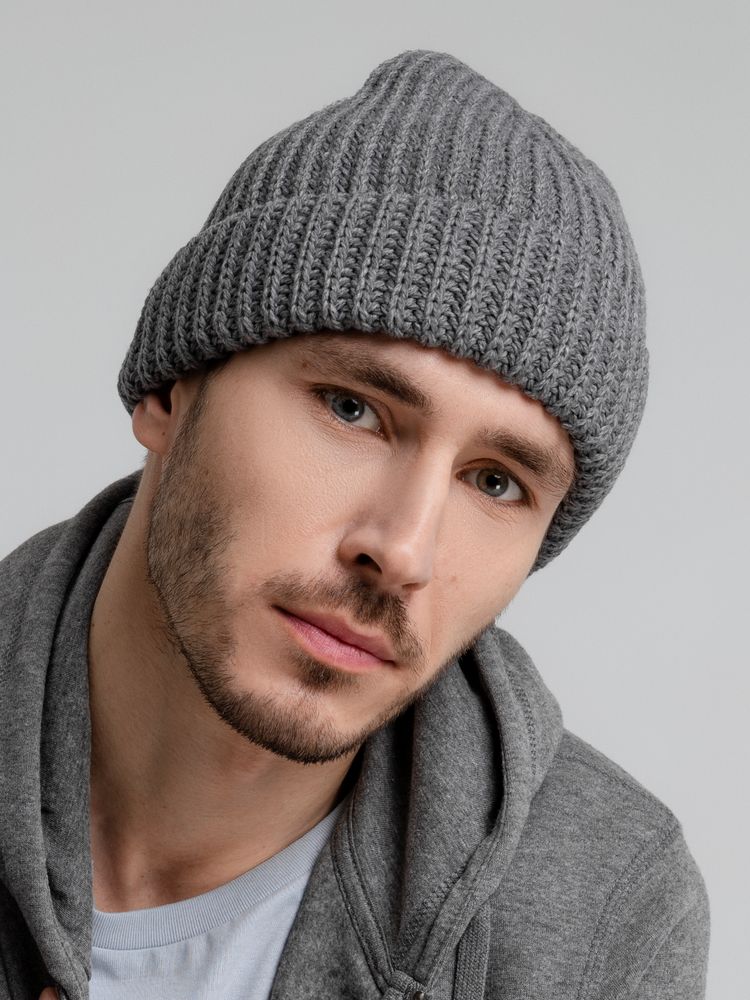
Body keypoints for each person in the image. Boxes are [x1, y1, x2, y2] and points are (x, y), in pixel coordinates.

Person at [1, 48, 709, 1000]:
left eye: (495, 483)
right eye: (352, 410)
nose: (402, 549)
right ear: (172, 388)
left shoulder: (605, 913)